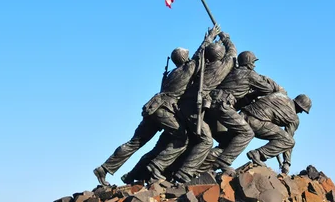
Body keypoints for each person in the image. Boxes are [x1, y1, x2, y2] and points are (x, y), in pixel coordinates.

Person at [93, 25, 221, 186]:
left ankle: (104, 168)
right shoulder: (187, 69)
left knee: (135, 142)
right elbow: (200, 54)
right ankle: (156, 169)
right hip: (164, 109)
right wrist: (210, 38)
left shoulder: (170, 74)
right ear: (184, 59)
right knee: (182, 138)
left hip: (152, 107)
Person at [202, 51, 284, 174]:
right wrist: (263, 80)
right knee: (247, 133)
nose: (254, 65)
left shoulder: (232, 72)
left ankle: (200, 168)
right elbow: (267, 89)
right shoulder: (250, 74)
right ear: (248, 62)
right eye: (253, 62)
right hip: (223, 105)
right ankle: (223, 162)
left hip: (212, 105)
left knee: (227, 142)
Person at [172, 31, 237, 183]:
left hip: (184, 105)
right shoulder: (222, 66)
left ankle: (184, 169)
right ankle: (185, 173)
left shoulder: (199, 67)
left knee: (193, 139)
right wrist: (225, 38)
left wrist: (208, 40)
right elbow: (233, 52)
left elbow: (197, 56)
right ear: (220, 56)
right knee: (207, 141)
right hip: (195, 107)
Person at [241, 92, 312, 175]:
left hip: (242, 115)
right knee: (289, 141)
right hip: (256, 122)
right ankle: (257, 153)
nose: (301, 112)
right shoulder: (293, 118)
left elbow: (277, 140)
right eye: (302, 110)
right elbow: (287, 140)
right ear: (300, 107)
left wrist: (279, 158)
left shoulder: (280, 96)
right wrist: (287, 163)